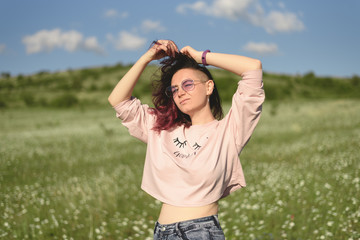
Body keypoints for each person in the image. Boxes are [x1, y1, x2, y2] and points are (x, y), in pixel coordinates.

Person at [108, 40, 264, 240]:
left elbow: (253, 68)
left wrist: (200, 57)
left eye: (188, 84)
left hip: (200, 232)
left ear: (209, 87)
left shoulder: (229, 131)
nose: (180, 92)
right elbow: (117, 100)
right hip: (162, 233)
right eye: (174, 89)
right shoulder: (161, 129)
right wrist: (148, 57)